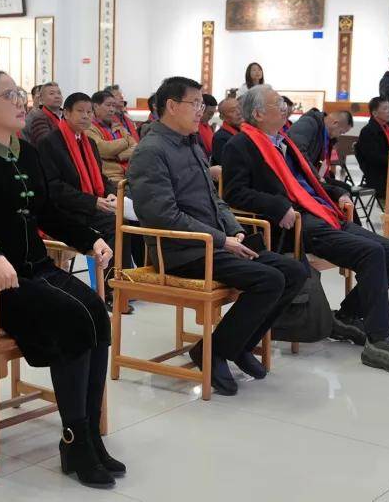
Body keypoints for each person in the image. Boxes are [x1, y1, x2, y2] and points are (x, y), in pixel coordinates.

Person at [0, 70, 123, 488]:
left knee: (96, 311)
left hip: (34, 268)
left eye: (20, 93)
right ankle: (75, 438)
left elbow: (48, 212)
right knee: (71, 319)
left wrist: (89, 238)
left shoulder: (25, 151)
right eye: (9, 95)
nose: (20, 101)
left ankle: (87, 434)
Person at [223, 85, 389, 375]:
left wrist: (337, 192)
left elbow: (310, 181)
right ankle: (380, 340)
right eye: (278, 104)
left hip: (322, 212)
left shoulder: (284, 142)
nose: (285, 108)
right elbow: (234, 193)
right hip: (297, 223)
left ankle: (347, 316)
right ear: (258, 113)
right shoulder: (241, 145)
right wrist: (278, 206)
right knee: (372, 253)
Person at [129, 76, 307, 394]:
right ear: (171, 106)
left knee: (294, 271)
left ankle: (237, 344)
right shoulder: (151, 151)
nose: (202, 110)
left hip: (212, 243)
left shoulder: (191, 143)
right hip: (181, 251)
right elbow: (163, 216)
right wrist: (221, 239)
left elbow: (216, 200)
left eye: (202, 104)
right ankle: (212, 352)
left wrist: (235, 230)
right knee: (269, 280)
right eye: (195, 103)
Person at [38, 92, 131, 314]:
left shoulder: (89, 142)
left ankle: (124, 284)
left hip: (89, 205)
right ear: (66, 113)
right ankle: (109, 290)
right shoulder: (49, 142)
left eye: (89, 112)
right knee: (114, 226)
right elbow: (54, 187)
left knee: (126, 220)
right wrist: (93, 202)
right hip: (64, 211)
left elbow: (100, 177)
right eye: (80, 111)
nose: (86, 116)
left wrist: (111, 195)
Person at [287, 106, 355, 207]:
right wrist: (317, 176)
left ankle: (348, 216)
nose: (339, 136)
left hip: (313, 174)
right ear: (335, 123)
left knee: (345, 188)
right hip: (298, 175)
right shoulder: (308, 123)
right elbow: (298, 151)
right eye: (341, 132)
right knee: (340, 191)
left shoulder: (327, 135)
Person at [85, 90, 137, 182]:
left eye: (113, 106)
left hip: (129, 174)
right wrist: (126, 141)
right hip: (109, 178)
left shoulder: (118, 126)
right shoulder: (88, 128)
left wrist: (118, 155)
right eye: (108, 105)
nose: (112, 109)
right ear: (95, 106)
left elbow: (136, 147)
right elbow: (103, 149)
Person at [354, 95, 389, 204]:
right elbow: (374, 158)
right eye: (385, 109)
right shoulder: (368, 131)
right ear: (375, 113)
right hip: (379, 176)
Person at [210, 94, 242, 167]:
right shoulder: (220, 138)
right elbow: (229, 165)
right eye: (232, 111)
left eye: (239, 108)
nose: (238, 112)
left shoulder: (244, 131)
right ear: (222, 117)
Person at [196, 93, 218, 159]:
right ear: (201, 109)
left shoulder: (207, 126)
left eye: (213, 114)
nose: (211, 117)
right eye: (210, 113)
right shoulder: (194, 128)